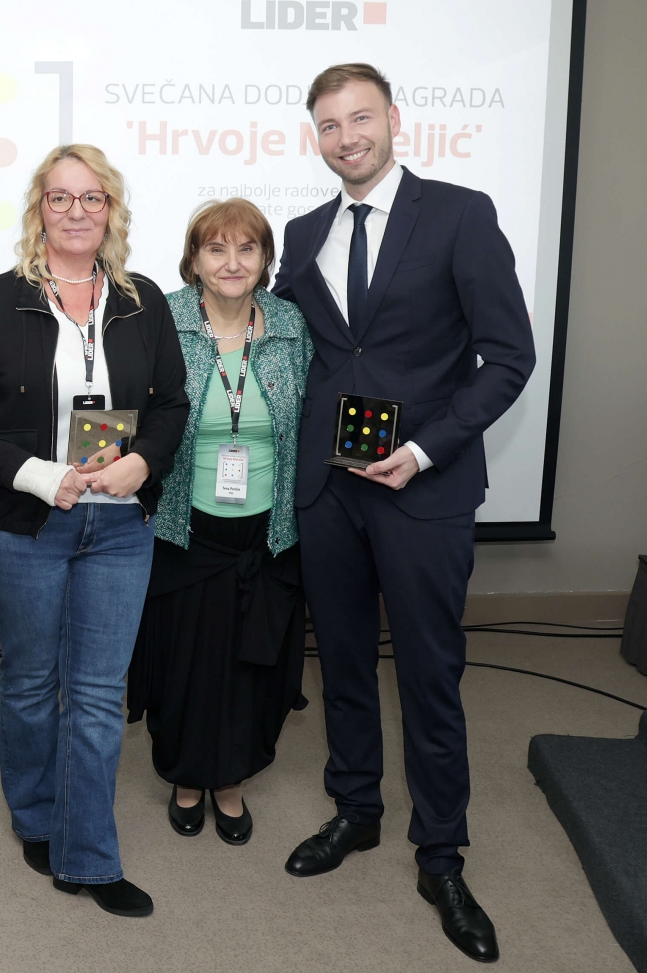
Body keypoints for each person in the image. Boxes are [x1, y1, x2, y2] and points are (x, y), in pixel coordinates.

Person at [273, 64, 535, 963]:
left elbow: (508, 357)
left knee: (429, 673)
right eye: (329, 125)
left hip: (423, 486)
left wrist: (423, 450)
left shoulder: (461, 214)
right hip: (330, 488)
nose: (346, 137)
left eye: (360, 119)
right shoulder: (303, 233)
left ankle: (442, 855)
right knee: (344, 662)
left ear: (392, 119)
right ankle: (357, 809)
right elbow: (301, 348)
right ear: (316, 138)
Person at [0, 144, 189, 918]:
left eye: (91, 197)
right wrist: (42, 476)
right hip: (23, 527)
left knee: (100, 694)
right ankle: (37, 818)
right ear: (39, 209)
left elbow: (171, 405)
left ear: (111, 209)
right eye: (60, 197)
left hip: (120, 528)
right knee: (33, 683)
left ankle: (91, 857)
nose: (76, 211)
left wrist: (144, 461)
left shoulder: (143, 301)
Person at [127, 198, 312, 846]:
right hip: (184, 530)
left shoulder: (290, 326)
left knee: (250, 669)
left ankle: (230, 781)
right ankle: (185, 778)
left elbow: (313, 419)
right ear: (194, 260)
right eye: (216, 249)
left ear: (265, 259)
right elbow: (133, 411)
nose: (232, 262)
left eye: (246, 248)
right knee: (183, 667)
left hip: (267, 535)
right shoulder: (162, 319)